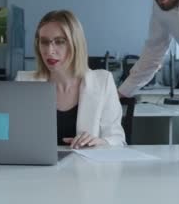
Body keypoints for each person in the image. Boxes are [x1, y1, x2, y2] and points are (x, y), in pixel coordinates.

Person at [16, 10, 126, 148]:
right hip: (36, 167)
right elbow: (14, 136)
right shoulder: (24, 82)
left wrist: (100, 142)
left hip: (85, 168)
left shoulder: (102, 81)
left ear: (76, 44)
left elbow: (118, 139)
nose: (50, 51)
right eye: (44, 42)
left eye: (59, 42)